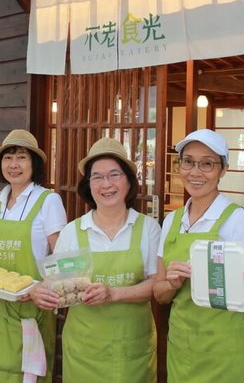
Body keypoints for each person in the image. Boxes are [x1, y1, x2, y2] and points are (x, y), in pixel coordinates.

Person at [154, 129, 244, 382]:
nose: (195, 172)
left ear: (223, 170)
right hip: (182, 351)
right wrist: (172, 284)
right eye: (188, 161)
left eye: (207, 164)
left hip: (226, 353)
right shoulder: (172, 221)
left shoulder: (238, 219)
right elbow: (159, 294)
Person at [31, 137, 160, 382]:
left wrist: (114, 294)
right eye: (97, 177)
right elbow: (58, 284)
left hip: (133, 352)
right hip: (84, 353)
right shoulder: (72, 231)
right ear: (88, 185)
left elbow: (157, 284)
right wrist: (42, 291)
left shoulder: (148, 228)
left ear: (129, 181)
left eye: (114, 175)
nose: (106, 184)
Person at [0, 129, 67, 383]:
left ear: (34, 164)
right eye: (8, 157)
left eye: (21, 157)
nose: (13, 165)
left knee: (28, 376)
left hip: (32, 310)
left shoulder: (48, 201)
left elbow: (64, 259)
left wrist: (38, 289)